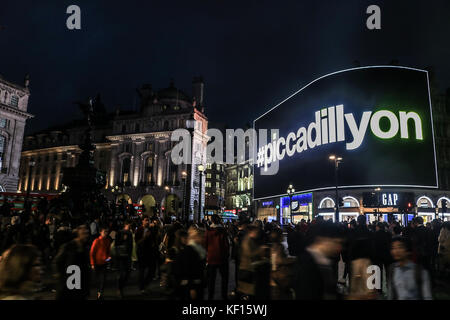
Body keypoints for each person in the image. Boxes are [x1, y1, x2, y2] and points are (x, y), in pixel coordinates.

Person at [294, 221, 344, 300]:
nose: (339, 247)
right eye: (336, 242)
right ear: (324, 240)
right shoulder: (307, 265)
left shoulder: (323, 261)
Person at [55, 225, 91, 300]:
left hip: (81, 285)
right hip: (69, 284)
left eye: (87, 233)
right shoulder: (68, 246)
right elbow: (57, 262)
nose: (86, 236)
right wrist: (61, 276)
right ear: (78, 234)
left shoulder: (86, 248)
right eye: (84, 233)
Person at [176, 226, 206, 300]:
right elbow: (188, 269)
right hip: (191, 286)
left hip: (196, 284)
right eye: (200, 236)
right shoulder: (190, 250)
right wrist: (192, 288)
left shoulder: (198, 249)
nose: (202, 238)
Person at [205, 214, 230, 300]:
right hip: (222, 258)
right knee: (224, 279)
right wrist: (227, 255)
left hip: (211, 258)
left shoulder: (208, 231)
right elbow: (226, 245)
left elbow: (205, 244)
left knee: (211, 280)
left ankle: (210, 296)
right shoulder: (223, 231)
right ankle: (224, 296)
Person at [135, 216, 155, 294]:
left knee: (152, 270)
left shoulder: (151, 229)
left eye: (148, 220)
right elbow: (137, 242)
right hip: (141, 253)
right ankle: (141, 287)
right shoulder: (139, 230)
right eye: (146, 220)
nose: (147, 222)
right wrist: (144, 237)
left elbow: (154, 239)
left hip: (149, 253)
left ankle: (145, 284)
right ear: (142, 221)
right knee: (142, 271)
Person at [89, 227, 111, 300]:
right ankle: (93, 291)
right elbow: (92, 253)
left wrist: (108, 259)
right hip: (96, 263)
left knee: (103, 279)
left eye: (107, 232)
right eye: (105, 232)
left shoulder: (107, 241)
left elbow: (109, 252)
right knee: (95, 279)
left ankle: (100, 293)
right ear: (100, 232)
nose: (106, 233)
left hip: (104, 263)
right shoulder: (96, 241)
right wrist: (92, 263)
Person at [114, 220, 133, 298]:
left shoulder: (130, 233)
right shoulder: (119, 233)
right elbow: (116, 244)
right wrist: (123, 239)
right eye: (129, 225)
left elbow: (131, 245)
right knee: (122, 274)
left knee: (127, 273)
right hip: (121, 257)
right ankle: (119, 289)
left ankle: (121, 288)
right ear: (126, 225)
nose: (130, 227)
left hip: (127, 256)